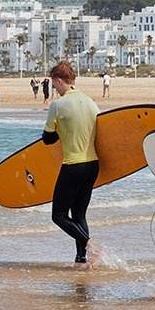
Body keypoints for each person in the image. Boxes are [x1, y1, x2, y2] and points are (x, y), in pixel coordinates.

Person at [42, 61, 103, 266]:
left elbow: (47, 138)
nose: (54, 88)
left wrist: (60, 131)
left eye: (54, 84)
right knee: (79, 214)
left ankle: (90, 245)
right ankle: (81, 260)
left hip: (73, 165)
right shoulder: (91, 102)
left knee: (58, 215)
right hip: (93, 165)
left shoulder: (57, 105)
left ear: (59, 81)